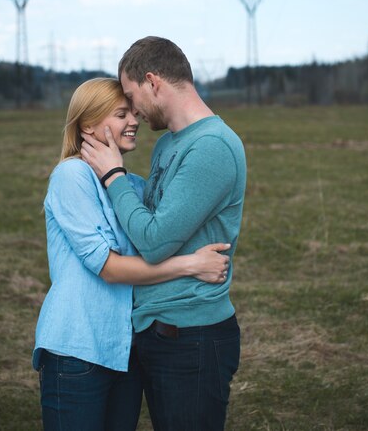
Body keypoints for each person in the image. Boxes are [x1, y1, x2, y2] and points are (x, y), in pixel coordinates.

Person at [33, 77, 231, 431]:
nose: (134, 120)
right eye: (120, 114)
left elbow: (157, 238)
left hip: (123, 350)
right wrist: (190, 265)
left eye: (132, 111)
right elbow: (107, 267)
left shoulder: (130, 185)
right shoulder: (71, 176)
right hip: (76, 349)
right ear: (88, 125)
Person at [81, 37, 247, 431]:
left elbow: (153, 241)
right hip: (158, 332)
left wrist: (113, 175)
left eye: (130, 95)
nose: (133, 111)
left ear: (153, 82)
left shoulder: (212, 147)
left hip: (192, 337)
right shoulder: (169, 143)